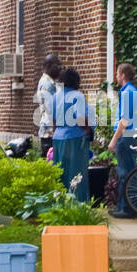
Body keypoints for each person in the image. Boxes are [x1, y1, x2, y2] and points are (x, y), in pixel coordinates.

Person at [107, 62, 137, 218]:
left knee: (125, 173)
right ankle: (130, 207)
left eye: (117, 73)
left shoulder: (127, 92)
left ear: (123, 75)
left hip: (127, 136)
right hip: (136, 134)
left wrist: (113, 140)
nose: (116, 76)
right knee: (130, 172)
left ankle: (127, 209)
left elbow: (125, 120)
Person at [51, 67, 91, 202]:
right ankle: (78, 205)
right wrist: (89, 129)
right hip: (75, 139)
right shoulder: (77, 96)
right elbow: (80, 119)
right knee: (76, 175)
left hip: (58, 139)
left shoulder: (55, 97)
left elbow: (54, 121)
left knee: (60, 174)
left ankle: (60, 204)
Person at [34, 54, 63, 158]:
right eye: (58, 66)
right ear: (49, 66)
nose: (60, 69)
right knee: (51, 164)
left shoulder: (51, 82)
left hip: (51, 131)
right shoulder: (46, 84)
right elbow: (52, 110)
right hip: (50, 133)